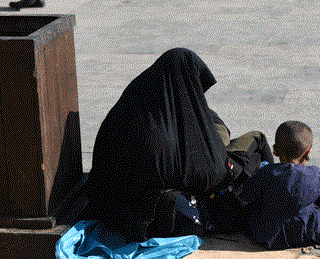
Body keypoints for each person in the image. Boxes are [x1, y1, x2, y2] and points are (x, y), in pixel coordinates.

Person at [81, 48, 273, 241]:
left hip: (109, 206)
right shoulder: (178, 147)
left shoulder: (130, 105)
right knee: (256, 143)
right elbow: (210, 174)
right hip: (156, 208)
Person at [238, 121, 320, 250]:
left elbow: (247, 194)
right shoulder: (315, 175)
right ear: (308, 152)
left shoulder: (264, 173)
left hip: (265, 234)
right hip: (302, 231)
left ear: (275, 149)